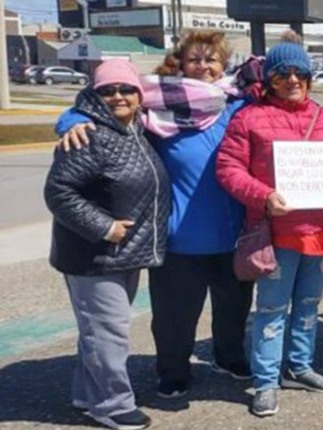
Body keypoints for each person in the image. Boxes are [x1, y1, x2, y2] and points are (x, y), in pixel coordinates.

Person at [55, 31, 255, 397]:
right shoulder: (156, 108)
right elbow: (95, 109)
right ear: (180, 63)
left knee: (235, 305)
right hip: (178, 237)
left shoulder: (238, 105)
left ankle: (229, 356)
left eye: (211, 59)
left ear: (223, 65)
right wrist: (70, 122)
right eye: (195, 59)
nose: (203, 66)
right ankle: (173, 371)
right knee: (174, 316)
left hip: (233, 233)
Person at [216, 41, 323, 417]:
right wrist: (263, 195)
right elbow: (228, 169)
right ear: (270, 79)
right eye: (283, 74)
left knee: (308, 305)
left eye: (300, 73)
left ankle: (300, 366)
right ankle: (265, 381)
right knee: (271, 307)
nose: (293, 80)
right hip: (277, 233)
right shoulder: (248, 118)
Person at [45, 59, 170, 430]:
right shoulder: (88, 135)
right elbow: (59, 192)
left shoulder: (136, 131)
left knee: (98, 329)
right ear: (94, 95)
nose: (118, 96)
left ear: (139, 94)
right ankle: (112, 405)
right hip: (93, 254)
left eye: (126, 89)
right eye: (107, 90)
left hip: (123, 253)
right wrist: (104, 228)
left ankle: (87, 394)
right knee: (109, 330)